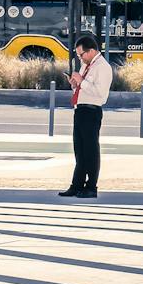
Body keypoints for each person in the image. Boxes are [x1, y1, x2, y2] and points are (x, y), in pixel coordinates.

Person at [60, 32, 111, 198]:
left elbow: (100, 93)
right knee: (79, 150)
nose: (80, 58)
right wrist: (75, 85)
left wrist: (82, 81)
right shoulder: (86, 66)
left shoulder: (102, 67)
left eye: (81, 54)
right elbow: (83, 88)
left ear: (91, 51)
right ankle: (77, 184)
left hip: (92, 110)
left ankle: (91, 187)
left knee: (91, 150)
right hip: (80, 109)